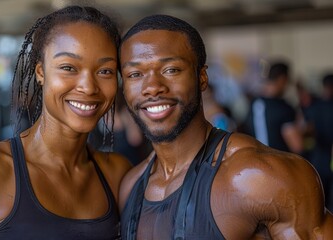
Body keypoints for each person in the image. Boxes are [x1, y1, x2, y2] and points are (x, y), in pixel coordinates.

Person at [118, 14, 333, 239]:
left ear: (202, 77)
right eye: (135, 74)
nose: (152, 87)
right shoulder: (129, 188)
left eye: (171, 70)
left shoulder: (263, 178)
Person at [0, 5, 131, 239]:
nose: (88, 87)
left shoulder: (118, 175)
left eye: (105, 71)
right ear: (41, 72)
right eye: (68, 67)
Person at [243, 61, 303, 154]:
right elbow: (297, 146)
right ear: (282, 79)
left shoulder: (254, 103)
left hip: (255, 163)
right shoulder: (283, 108)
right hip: (280, 163)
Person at [305, 73, 333, 210]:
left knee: (320, 204)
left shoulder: (314, 106)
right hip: (328, 158)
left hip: (317, 160)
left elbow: (307, 129)